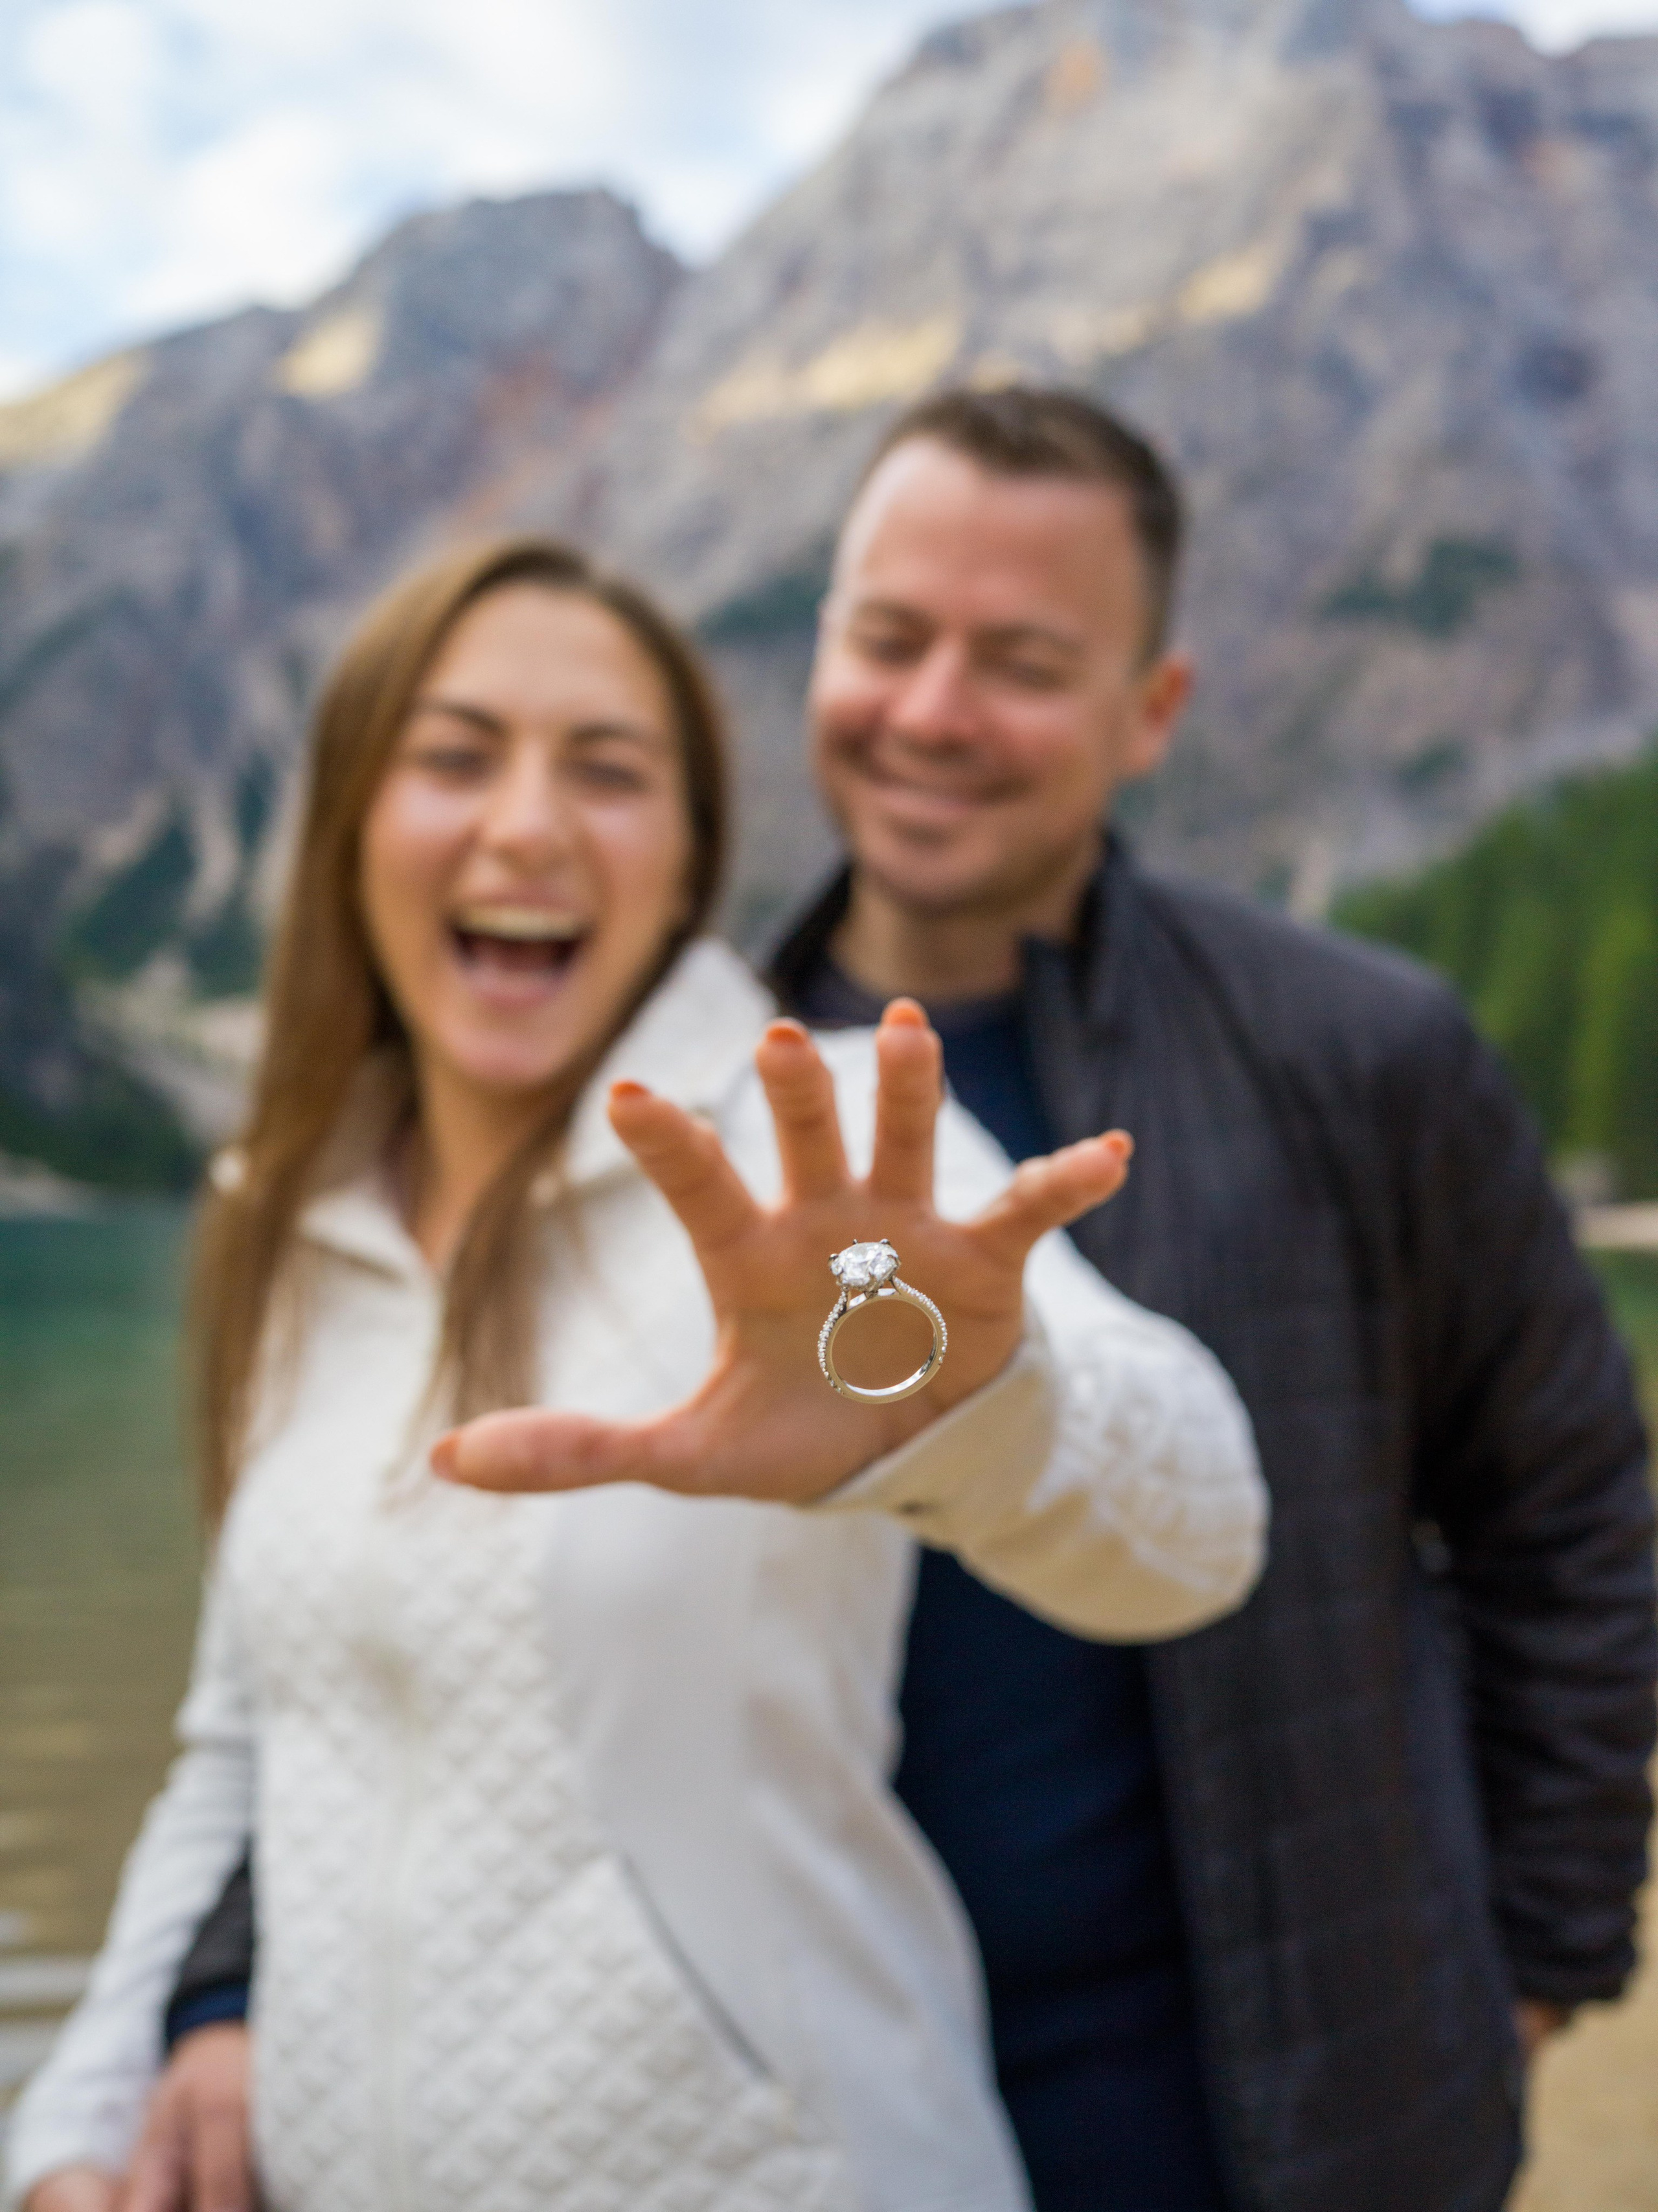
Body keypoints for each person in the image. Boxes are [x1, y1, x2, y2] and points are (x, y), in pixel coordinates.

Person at [115, 387, 1655, 2209]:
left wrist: (1537, 1968)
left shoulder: (1352, 1051)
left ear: (1151, 709)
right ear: (819, 652)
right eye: (890, 638)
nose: (933, 711)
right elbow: (373, 1643)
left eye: (1022, 662)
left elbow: (1564, 1519)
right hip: (829, 2067)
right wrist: (223, 1989)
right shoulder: (658, 1102)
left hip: (1274, 2085)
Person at [6, 535, 1266, 2212]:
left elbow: (1204, 1530)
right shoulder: (285, 1221)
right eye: (457, 757)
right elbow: (245, 1744)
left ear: (684, 861)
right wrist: (86, 2115)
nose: (529, 825)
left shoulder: (819, 1143)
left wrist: (967, 1412)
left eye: (608, 772)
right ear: (352, 823)